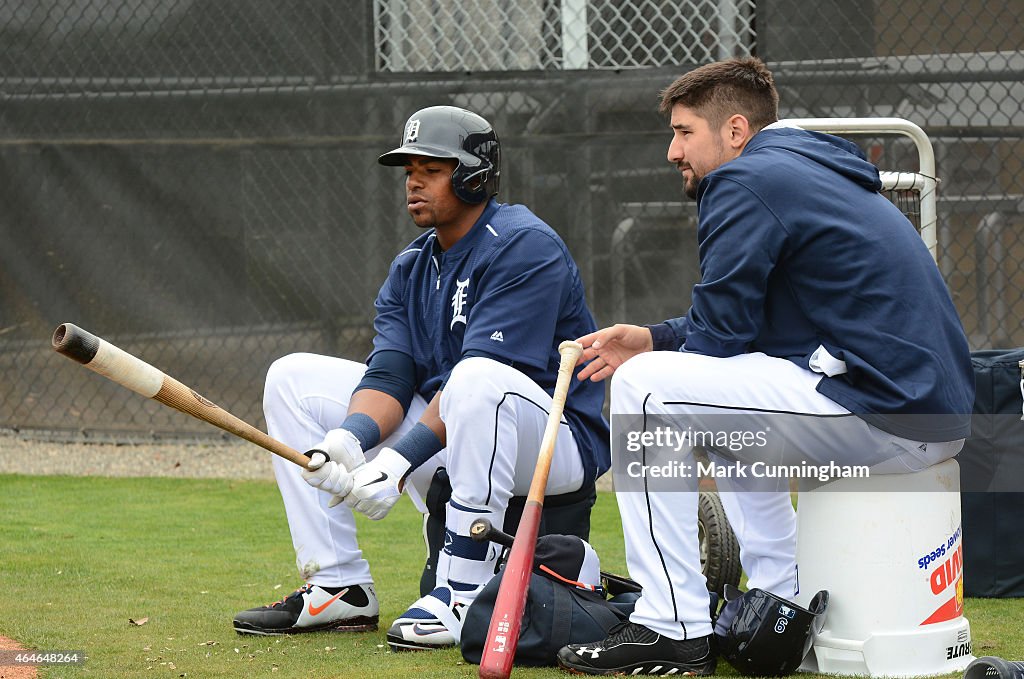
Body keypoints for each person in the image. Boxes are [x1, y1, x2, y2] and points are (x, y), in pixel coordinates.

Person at [556, 57, 974, 676]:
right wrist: (654, 336)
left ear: (735, 129)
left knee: (646, 390)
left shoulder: (747, 179)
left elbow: (721, 336)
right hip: (920, 409)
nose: (673, 151)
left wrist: (652, 356)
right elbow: (747, 337)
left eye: (683, 131)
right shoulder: (801, 170)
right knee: (720, 404)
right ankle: (786, 604)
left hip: (883, 411)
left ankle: (670, 626)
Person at [231, 105, 610, 652]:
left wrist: (392, 463)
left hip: (555, 444)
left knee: (478, 378)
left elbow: (481, 382)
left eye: (431, 169)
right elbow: (389, 375)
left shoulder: (524, 245)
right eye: (409, 170)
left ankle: (464, 589)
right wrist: (349, 443)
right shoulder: (411, 265)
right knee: (290, 377)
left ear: (474, 176)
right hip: (463, 435)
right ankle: (339, 584)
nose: (413, 181)